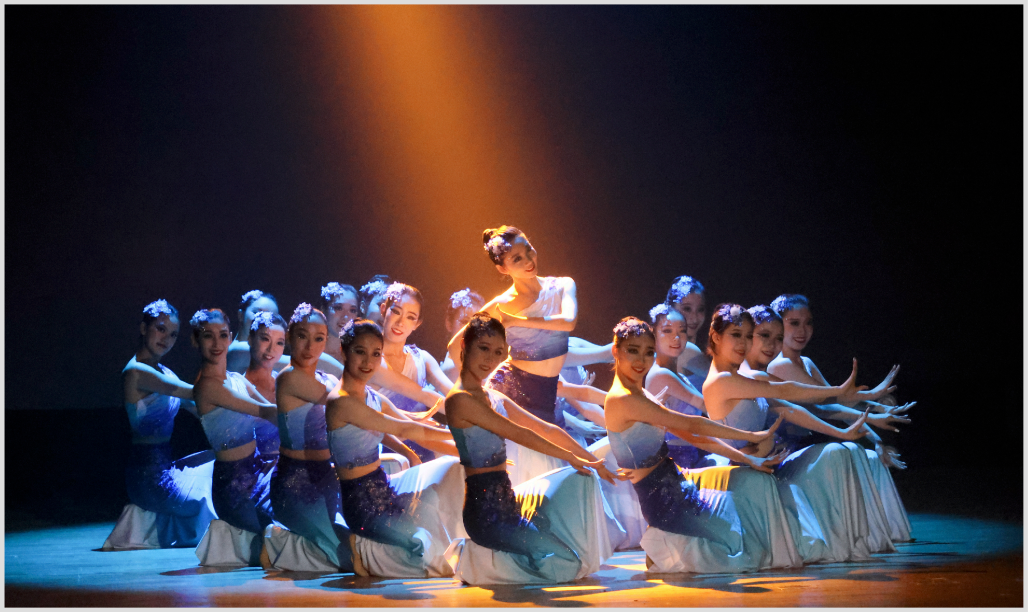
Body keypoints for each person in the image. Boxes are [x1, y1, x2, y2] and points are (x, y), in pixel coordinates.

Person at [605, 316, 799, 574]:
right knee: (740, 544)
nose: (642, 360)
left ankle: (664, 547)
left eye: (649, 352)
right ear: (616, 351)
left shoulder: (642, 394)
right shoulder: (623, 399)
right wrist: (750, 436)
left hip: (679, 484)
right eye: (633, 350)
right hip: (665, 502)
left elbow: (693, 436)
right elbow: (693, 424)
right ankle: (663, 546)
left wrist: (748, 458)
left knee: (743, 514)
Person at [444, 313, 622, 584]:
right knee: (567, 563)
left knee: (570, 544)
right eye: (483, 348)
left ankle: (486, 558)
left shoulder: (492, 396)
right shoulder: (459, 400)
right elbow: (520, 433)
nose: (490, 359)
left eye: (498, 352)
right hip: (486, 515)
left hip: (509, 504)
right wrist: (570, 457)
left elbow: (546, 429)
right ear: (464, 346)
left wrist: (590, 461)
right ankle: (474, 560)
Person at [731, 304, 898, 562]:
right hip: (747, 466)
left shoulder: (760, 376)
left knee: (843, 452)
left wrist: (853, 425)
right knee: (836, 454)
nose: (772, 345)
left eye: (777, 338)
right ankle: (847, 542)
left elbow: (796, 408)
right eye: (764, 336)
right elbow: (799, 395)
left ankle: (855, 542)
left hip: (771, 462)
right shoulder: (746, 376)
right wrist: (851, 398)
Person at [767, 293, 913, 542]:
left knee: (870, 456)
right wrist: (874, 405)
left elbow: (834, 404)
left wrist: (877, 439)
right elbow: (829, 400)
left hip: (810, 445)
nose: (803, 330)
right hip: (787, 453)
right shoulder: (778, 366)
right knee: (847, 452)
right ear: (779, 325)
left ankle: (881, 536)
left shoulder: (806, 362)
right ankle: (856, 538)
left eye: (808, 323)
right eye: (794, 323)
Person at [326, 319, 463, 577]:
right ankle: (359, 546)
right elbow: (404, 429)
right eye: (360, 352)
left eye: (376, 354)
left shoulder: (371, 395)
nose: (368, 361)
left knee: (446, 479)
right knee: (424, 548)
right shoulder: (340, 402)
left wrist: (464, 451)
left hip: (384, 486)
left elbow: (411, 423)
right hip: (361, 503)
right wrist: (459, 436)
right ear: (343, 351)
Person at [445, 226, 581, 485]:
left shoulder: (563, 285)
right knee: (527, 482)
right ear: (502, 268)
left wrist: (516, 321)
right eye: (517, 258)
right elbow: (455, 347)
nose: (529, 260)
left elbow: (568, 322)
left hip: (545, 396)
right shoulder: (502, 304)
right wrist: (476, 385)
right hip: (512, 394)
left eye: (528, 250)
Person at [102, 299, 216, 550]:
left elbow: (197, 408)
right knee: (210, 495)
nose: (166, 338)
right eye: (160, 329)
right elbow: (197, 393)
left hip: (166, 467)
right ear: (144, 328)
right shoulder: (137, 372)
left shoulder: (165, 372)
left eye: (173, 334)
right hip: (148, 478)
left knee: (219, 463)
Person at [263, 303, 354, 572]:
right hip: (295, 481)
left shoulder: (328, 380)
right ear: (290, 336)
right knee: (344, 556)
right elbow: (352, 408)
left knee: (356, 542)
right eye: (303, 336)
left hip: (326, 477)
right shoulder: (289, 378)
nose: (310, 346)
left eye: (319, 339)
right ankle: (278, 543)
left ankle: (285, 541)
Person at [189, 309, 279, 566]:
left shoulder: (237, 379)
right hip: (233, 487)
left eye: (223, 335)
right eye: (208, 336)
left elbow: (271, 413)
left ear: (231, 338)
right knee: (277, 541)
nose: (217, 343)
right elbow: (265, 411)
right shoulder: (207, 386)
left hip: (257, 474)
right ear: (196, 340)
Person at [372, 283, 455, 461]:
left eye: (410, 317)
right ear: (383, 310)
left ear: (417, 324)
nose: (400, 323)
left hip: (427, 451)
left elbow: (454, 394)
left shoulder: (422, 358)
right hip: (389, 457)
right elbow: (424, 396)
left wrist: (480, 410)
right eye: (396, 312)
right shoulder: (372, 361)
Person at [243, 311, 288, 456]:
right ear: (250, 339)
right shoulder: (238, 387)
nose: (271, 349)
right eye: (265, 339)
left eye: (279, 343)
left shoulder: (286, 383)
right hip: (252, 465)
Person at [666, 275, 711, 391]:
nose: (694, 318)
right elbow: (724, 383)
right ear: (670, 308)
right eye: (687, 309)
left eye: (700, 309)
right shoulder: (683, 349)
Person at [227, 290, 280, 373]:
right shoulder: (237, 351)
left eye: (271, 317)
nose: (264, 321)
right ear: (241, 315)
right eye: (257, 313)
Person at [318, 282, 361, 372]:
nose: (345, 316)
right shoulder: (310, 352)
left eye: (352, 310)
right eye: (338, 308)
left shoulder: (359, 356)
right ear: (323, 310)